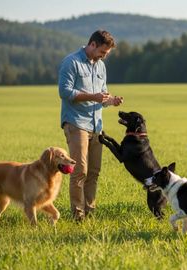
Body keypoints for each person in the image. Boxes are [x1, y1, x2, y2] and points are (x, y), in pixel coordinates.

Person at [58, 30, 123, 221]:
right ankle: (78, 216)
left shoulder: (101, 66)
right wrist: (92, 96)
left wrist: (111, 100)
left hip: (97, 125)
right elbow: (65, 92)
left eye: (107, 54)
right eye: (103, 52)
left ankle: (90, 213)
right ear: (92, 44)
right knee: (80, 171)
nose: (104, 56)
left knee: (94, 172)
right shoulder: (71, 62)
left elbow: (101, 96)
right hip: (76, 123)